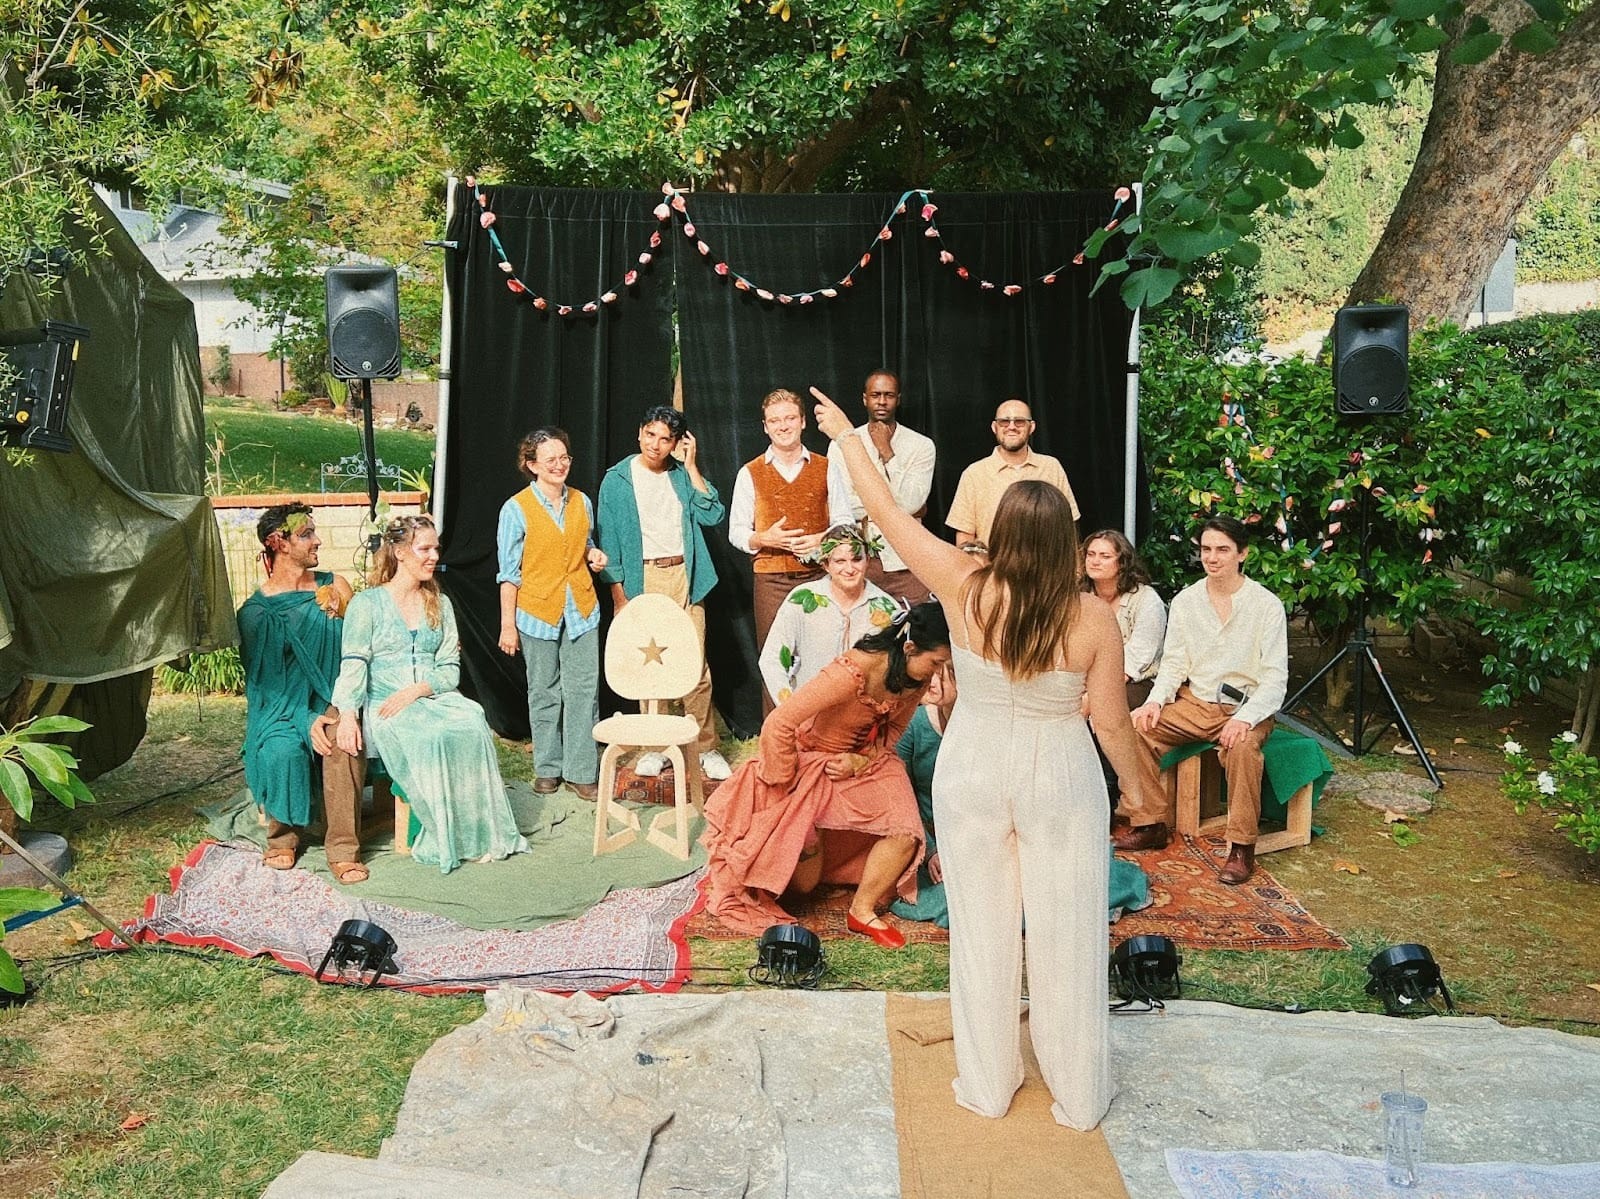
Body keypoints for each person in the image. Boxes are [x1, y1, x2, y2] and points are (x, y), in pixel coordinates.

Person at [813, 383, 1148, 1132]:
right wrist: (1138, 791)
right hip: (1061, 773)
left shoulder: (961, 584)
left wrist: (845, 438)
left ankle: (990, 1084)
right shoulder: (1092, 616)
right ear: (1064, 541)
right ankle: (1078, 1093)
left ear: (998, 534)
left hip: (974, 767)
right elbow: (1111, 721)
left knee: (983, 931)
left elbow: (888, 515)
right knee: (1068, 933)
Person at [702, 603, 952, 946]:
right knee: (803, 886)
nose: (938, 674)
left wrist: (860, 761)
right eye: (936, 662)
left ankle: (862, 910)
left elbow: (893, 732)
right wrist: (782, 785)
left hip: (866, 760)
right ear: (909, 648)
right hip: (812, 759)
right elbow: (780, 723)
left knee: (906, 832)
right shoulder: (853, 671)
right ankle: (805, 845)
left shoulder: (916, 678)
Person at [333, 516, 529, 874]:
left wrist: (419, 690)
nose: (434, 556)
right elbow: (354, 663)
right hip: (387, 705)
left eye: (436, 548)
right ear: (399, 553)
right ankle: (446, 833)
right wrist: (347, 713)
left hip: (430, 697)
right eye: (424, 548)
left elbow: (450, 670)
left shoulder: (440, 603)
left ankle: (478, 832)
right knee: (433, 735)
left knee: (473, 719)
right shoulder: (367, 604)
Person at [1118, 516, 1289, 886]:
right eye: (1206, 549)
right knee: (1135, 727)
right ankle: (1150, 823)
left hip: (1246, 707)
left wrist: (1245, 718)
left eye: (1222, 550)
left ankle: (1241, 847)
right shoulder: (1186, 601)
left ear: (1242, 554)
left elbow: (1276, 680)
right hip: (1195, 704)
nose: (1212, 557)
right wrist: (1155, 701)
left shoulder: (1266, 605)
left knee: (1242, 748)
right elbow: (1174, 664)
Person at [596, 405, 733, 781]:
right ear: (640, 433)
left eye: (666, 439)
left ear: (676, 443)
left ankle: (705, 748)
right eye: (651, 435)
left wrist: (691, 465)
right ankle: (654, 748)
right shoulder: (617, 480)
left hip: (684, 575)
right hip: (644, 578)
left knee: (695, 666)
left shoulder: (681, 474)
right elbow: (609, 542)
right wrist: (619, 597)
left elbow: (712, 514)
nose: (656, 445)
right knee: (651, 666)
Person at [237, 503, 368, 884]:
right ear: (278, 543)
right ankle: (283, 839)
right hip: (282, 709)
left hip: (336, 698)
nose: (318, 540)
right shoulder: (256, 614)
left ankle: (343, 849)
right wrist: (304, 718)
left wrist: (343, 708)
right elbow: (264, 687)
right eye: (306, 534)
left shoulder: (335, 587)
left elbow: (361, 649)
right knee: (281, 750)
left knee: (343, 742)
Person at [496, 427, 608, 800]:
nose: (559, 465)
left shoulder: (581, 501)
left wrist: (593, 555)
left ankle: (581, 771)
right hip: (536, 612)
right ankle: (547, 767)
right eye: (550, 460)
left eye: (564, 458)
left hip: (581, 609)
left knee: (583, 691)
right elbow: (508, 574)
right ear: (532, 465)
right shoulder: (515, 509)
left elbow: (585, 543)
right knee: (543, 691)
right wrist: (508, 625)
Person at [826, 370, 938, 605]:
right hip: (860, 559)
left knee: (916, 624)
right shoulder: (841, 444)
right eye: (875, 395)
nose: (882, 401)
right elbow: (844, 505)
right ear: (864, 398)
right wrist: (896, 510)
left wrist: (887, 453)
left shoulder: (921, 445)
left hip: (908, 559)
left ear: (898, 399)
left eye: (889, 395)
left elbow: (911, 503)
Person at [757, 524, 899, 706]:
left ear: (868, 561)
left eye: (856, 559)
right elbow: (771, 659)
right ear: (825, 564)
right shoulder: (801, 600)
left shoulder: (888, 609)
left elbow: (900, 666)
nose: (849, 569)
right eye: (840, 561)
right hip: (810, 709)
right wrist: (791, 709)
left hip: (864, 712)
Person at [1080, 529, 1167, 821]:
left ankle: (1108, 796)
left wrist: (1094, 695)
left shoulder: (1146, 600)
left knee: (1103, 711)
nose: (1095, 561)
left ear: (1122, 561)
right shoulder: (1079, 597)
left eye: (1105, 556)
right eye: (1091, 554)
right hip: (1084, 679)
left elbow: (1138, 657)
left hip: (1137, 681)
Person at [945, 398, 1081, 547]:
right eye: (1004, 421)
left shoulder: (1051, 467)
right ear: (994, 427)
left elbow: (1069, 526)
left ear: (1032, 427)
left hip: (1046, 562)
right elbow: (965, 537)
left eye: (1019, 421)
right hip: (993, 562)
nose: (1011, 427)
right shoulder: (974, 474)